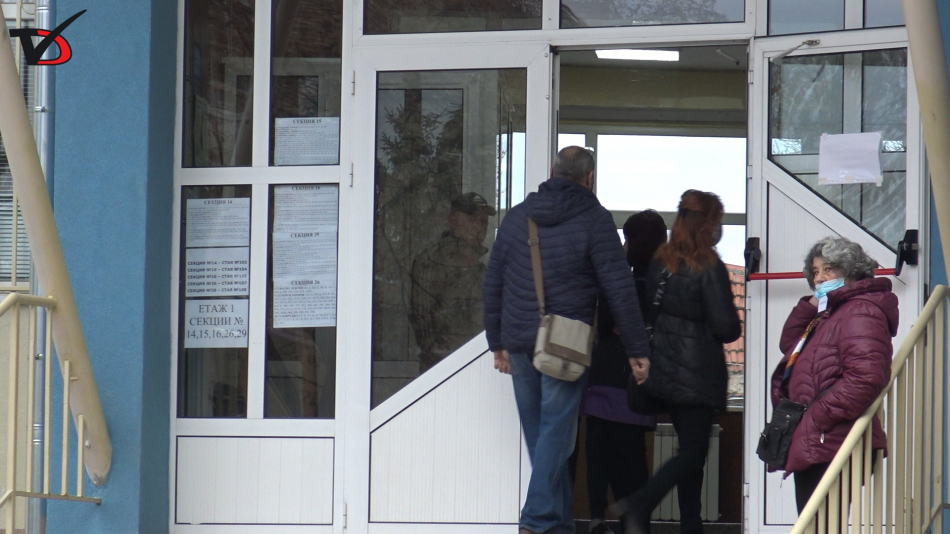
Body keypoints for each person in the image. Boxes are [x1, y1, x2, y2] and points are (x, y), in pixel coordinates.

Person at [483, 146, 651, 534]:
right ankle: (536, 520)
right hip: (566, 343)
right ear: (589, 178)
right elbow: (619, 288)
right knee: (555, 437)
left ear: (552, 170)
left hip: (521, 341)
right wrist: (637, 349)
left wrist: (497, 341)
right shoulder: (595, 219)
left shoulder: (518, 217)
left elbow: (493, 282)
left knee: (543, 438)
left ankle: (556, 525)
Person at [609, 190, 742, 534]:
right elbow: (726, 327)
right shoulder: (709, 266)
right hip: (697, 374)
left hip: (665, 370)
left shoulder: (661, 260)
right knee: (693, 454)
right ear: (709, 224)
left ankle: (689, 525)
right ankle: (643, 503)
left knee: (689, 454)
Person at [771, 236, 897, 513]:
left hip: (832, 438)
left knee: (818, 524)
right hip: (821, 439)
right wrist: (811, 304)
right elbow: (790, 345)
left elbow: (865, 378)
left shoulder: (860, 310)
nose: (819, 278)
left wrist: (815, 418)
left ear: (850, 269)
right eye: (815, 271)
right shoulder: (833, 310)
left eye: (828, 269)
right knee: (815, 524)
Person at [583, 210, 667, 534]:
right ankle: (634, 523)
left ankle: (599, 517)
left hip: (607, 375)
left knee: (601, 452)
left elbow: (603, 319)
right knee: (631, 456)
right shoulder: (663, 283)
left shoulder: (620, 281)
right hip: (636, 380)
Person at [410, 192, 495, 372]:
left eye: (484, 221)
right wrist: (436, 358)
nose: (479, 227)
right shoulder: (433, 261)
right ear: (454, 220)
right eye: (473, 220)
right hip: (443, 366)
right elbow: (422, 318)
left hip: (480, 360)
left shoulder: (481, 268)